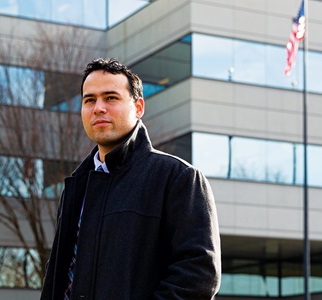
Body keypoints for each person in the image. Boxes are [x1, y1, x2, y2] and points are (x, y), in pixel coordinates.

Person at [40, 58, 221, 299]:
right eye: (89, 100)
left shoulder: (179, 178)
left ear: (138, 107)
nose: (98, 108)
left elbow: (198, 274)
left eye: (111, 98)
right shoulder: (76, 186)